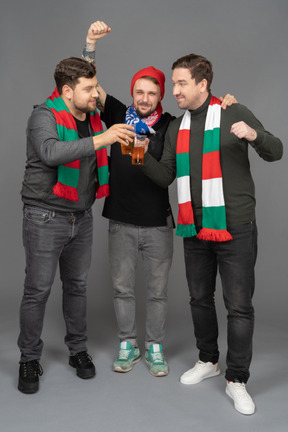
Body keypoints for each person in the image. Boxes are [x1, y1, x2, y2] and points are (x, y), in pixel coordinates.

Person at [81, 21, 237, 377]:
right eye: (139, 91)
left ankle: (154, 347)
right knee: (122, 290)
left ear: (161, 95)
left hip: (159, 222)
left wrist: (227, 103)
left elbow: (204, 114)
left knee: (156, 293)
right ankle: (127, 345)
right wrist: (90, 45)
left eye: (151, 93)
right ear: (132, 92)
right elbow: (87, 84)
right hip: (120, 219)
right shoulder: (118, 114)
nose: (144, 98)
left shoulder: (172, 125)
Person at [141, 54, 283, 414]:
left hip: (235, 226)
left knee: (239, 306)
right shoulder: (177, 128)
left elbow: (276, 150)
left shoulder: (234, 112)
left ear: (203, 84)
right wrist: (141, 156)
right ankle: (209, 360)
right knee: (199, 299)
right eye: (173, 83)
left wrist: (254, 135)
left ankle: (237, 379)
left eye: (181, 83)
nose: (174, 91)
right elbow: (167, 176)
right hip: (194, 227)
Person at [18, 56, 135, 394]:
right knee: (37, 290)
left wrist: (91, 46)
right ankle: (28, 357)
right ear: (67, 91)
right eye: (88, 89)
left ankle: (78, 350)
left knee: (77, 287)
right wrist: (105, 139)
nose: (96, 94)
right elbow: (52, 153)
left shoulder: (94, 117)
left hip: (80, 217)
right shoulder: (44, 115)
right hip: (44, 216)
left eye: (95, 87)